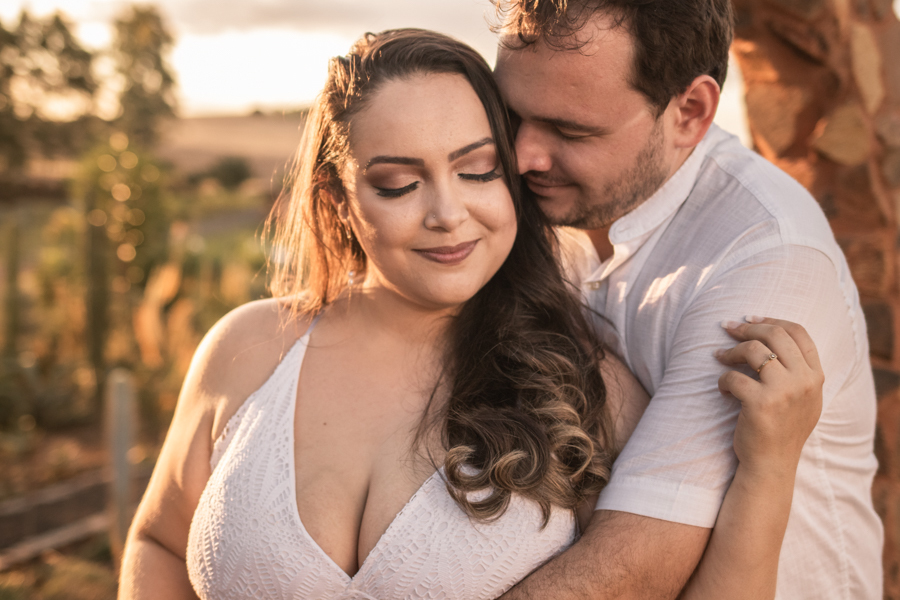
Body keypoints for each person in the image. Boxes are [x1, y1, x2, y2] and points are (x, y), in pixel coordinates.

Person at [118, 29, 823, 600]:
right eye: (399, 182)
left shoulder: (588, 389)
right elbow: (159, 544)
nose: (448, 214)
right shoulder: (246, 348)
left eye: (478, 169)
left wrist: (769, 468)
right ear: (338, 201)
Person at [488, 1, 883, 599]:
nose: (523, 158)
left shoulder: (765, 252)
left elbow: (631, 573)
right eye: (510, 116)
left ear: (690, 112)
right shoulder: (535, 205)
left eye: (572, 131)